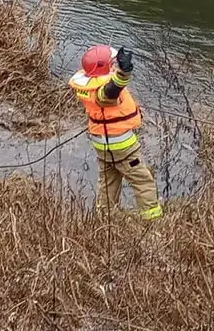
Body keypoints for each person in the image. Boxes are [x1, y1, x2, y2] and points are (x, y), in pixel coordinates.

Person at [69, 44, 162, 220]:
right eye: (112, 63)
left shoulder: (90, 87)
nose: (114, 65)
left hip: (102, 146)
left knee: (108, 182)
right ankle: (152, 219)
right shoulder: (103, 92)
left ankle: (105, 218)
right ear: (104, 67)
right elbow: (111, 91)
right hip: (122, 147)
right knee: (143, 181)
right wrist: (124, 73)